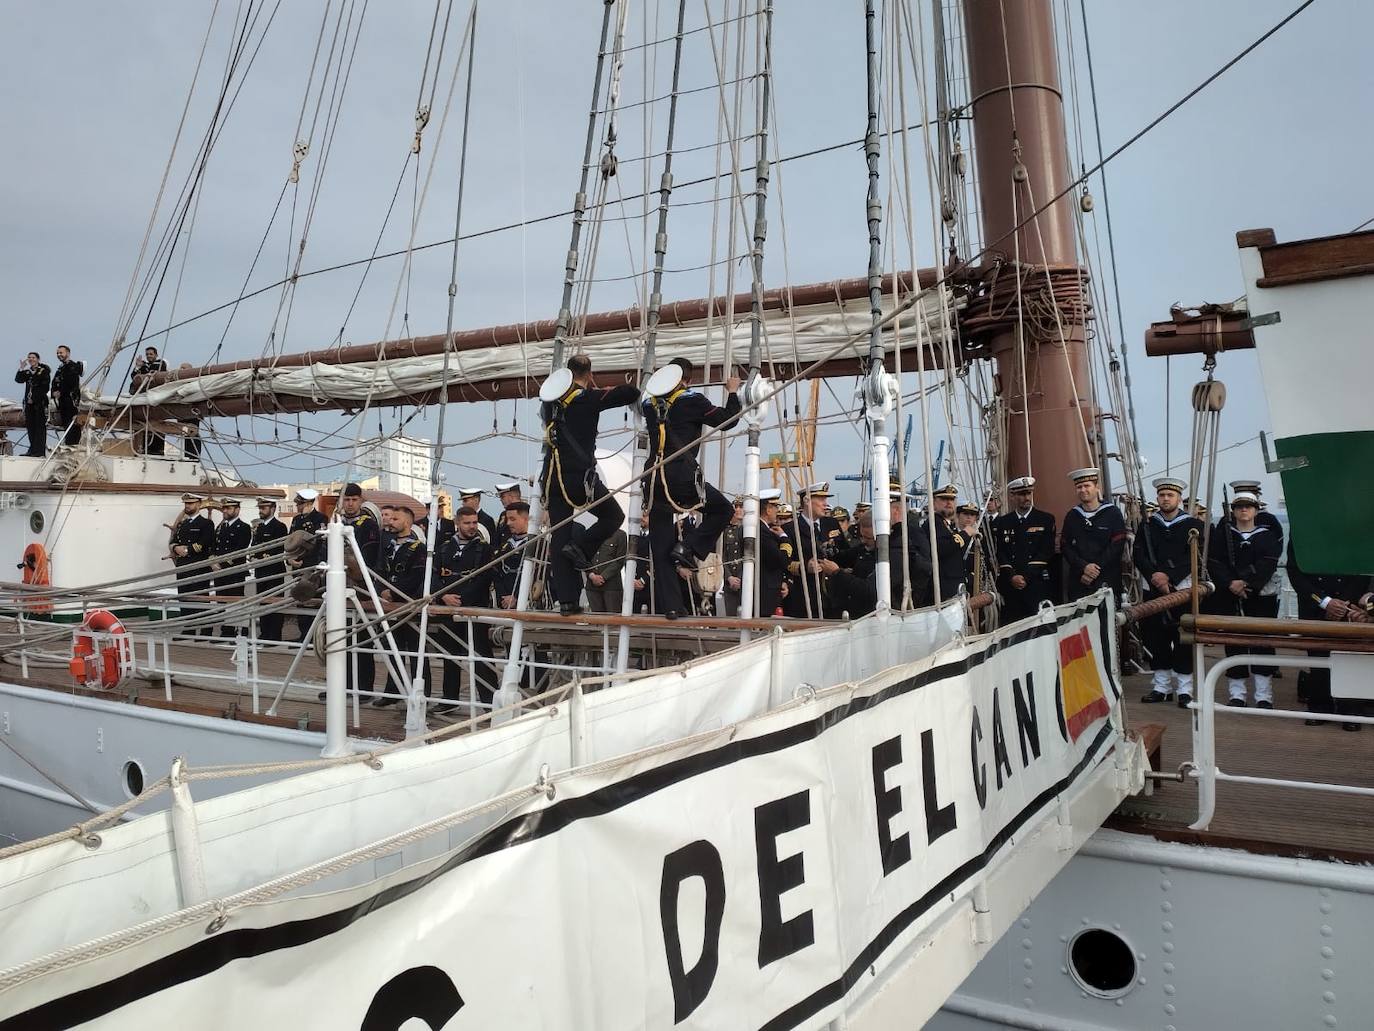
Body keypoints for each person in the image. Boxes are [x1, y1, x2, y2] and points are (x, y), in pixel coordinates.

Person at [540, 355, 640, 616]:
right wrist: (598, 387)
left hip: (552, 478)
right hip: (578, 478)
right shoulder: (589, 399)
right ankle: (582, 547)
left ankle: (568, 602)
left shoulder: (549, 405)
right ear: (589, 374)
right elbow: (629, 393)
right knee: (613, 515)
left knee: (559, 536)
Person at [643, 359, 741, 618]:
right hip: (681, 478)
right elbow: (728, 421)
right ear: (688, 379)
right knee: (722, 509)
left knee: (661, 543)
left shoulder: (648, 405)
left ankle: (673, 607)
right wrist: (732, 391)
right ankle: (688, 548)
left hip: (653, 480)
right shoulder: (692, 400)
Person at [1287, 539, 1374, 730]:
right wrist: (1325, 602)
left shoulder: (1356, 531)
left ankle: (1351, 711)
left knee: (1350, 658)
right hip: (1314, 607)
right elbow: (1294, 571)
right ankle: (1319, 707)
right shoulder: (1303, 530)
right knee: (1317, 659)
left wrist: (1343, 604)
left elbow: (1364, 569)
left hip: (1351, 607)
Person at [1207, 492, 1284, 707]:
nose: (1243, 510)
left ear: (1256, 510)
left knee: (1263, 643)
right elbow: (1214, 562)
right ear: (1233, 511)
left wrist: (1247, 582)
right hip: (1229, 594)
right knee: (1234, 643)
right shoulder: (1223, 536)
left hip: (1259, 596)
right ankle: (1237, 693)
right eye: (1239, 506)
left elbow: (1268, 562)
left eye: (1248, 507)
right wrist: (1230, 583)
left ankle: (1263, 695)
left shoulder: (1266, 536)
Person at [1136, 477, 1206, 707]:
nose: (1165, 499)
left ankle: (1185, 689)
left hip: (1181, 589)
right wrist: (1155, 577)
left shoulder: (1192, 525)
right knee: (1157, 638)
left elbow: (1193, 556)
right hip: (1153, 588)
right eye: (1162, 495)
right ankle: (1161, 687)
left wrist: (1169, 576)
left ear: (1178, 499)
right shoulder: (1147, 525)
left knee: (1183, 638)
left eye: (1170, 495)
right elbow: (1139, 554)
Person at [433, 505, 497, 716]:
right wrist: (444, 596)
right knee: (450, 656)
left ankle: (489, 701)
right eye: (467, 523)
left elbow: (484, 578)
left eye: (474, 522)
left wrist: (461, 600)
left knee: (481, 656)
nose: (472, 527)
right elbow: (434, 577)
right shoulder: (443, 549)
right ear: (457, 523)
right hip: (448, 610)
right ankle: (449, 699)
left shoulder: (484, 549)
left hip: (474, 610)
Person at [374, 503, 431, 707]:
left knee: (416, 652)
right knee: (393, 649)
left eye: (396, 519)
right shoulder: (388, 545)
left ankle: (422, 692)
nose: (391, 521)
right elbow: (379, 570)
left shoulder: (418, 548)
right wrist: (381, 590)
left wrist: (394, 590)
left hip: (409, 605)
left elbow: (417, 576)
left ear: (407, 522)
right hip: (390, 606)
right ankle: (393, 690)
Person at [337, 483, 382, 699]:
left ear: (360, 501)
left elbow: (370, 557)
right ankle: (343, 685)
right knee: (339, 639)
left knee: (363, 639)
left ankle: (365, 689)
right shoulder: (336, 523)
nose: (350, 503)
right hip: (338, 587)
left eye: (354, 500)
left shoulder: (368, 526)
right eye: (347, 499)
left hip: (361, 588)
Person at [994, 477, 1056, 623]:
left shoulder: (1045, 520)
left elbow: (1046, 552)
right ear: (1012, 496)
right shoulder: (1003, 522)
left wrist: (1025, 577)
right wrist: (1012, 576)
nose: (1026, 498)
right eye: (1021, 494)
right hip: (1011, 586)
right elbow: (1001, 552)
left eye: (1028, 493)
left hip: (1036, 584)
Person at [1061, 467, 1126, 602]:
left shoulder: (1112, 513)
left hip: (1107, 580)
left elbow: (1117, 546)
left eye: (1087, 486)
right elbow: (1065, 546)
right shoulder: (1072, 516)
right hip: (1080, 581)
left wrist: (1094, 570)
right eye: (1079, 487)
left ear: (1096, 487)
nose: (1083, 490)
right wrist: (1083, 567)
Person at [787, 482, 846, 618]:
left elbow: (844, 553)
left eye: (826, 499)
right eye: (821, 499)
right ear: (807, 501)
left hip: (834, 598)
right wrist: (804, 566)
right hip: (806, 600)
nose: (825, 503)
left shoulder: (831, 523)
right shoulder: (790, 529)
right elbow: (784, 563)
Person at [169, 493, 215, 636]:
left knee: (200, 598)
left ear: (199, 504)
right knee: (184, 597)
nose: (187, 506)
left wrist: (186, 550)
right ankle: (188, 627)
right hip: (183, 567)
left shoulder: (206, 524)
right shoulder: (182, 525)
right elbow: (173, 541)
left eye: (191, 503)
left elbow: (205, 542)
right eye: (186, 504)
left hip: (198, 567)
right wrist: (176, 548)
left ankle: (204, 629)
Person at [210, 498, 252, 638]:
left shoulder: (244, 527)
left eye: (229, 508)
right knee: (221, 601)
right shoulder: (221, 527)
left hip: (235, 571)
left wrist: (221, 565)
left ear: (237, 510)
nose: (225, 511)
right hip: (220, 573)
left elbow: (240, 549)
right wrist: (213, 562)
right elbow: (215, 547)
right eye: (224, 508)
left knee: (234, 601)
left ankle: (238, 632)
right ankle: (225, 632)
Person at [250, 497, 289, 641]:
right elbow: (254, 545)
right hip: (261, 570)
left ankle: (274, 635)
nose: (261, 511)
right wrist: (254, 556)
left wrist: (263, 557)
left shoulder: (279, 527)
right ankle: (264, 632)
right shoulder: (259, 527)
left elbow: (279, 548)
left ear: (272, 509)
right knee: (262, 602)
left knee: (274, 602)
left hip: (274, 571)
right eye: (260, 508)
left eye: (264, 508)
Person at [923, 484, 968, 604]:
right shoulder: (933, 523)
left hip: (953, 586)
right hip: (942, 590)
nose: (949, 503)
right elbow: (941, 548)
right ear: (933, 502)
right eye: (944, 499)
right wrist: (965, 534)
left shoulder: (946, 524)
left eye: (952, 499)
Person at [492, 500, 533, 610]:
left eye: (512, 519)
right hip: (505, 604)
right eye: (507, 519)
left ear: (526, 519)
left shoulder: (539, 544)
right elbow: (497, 573)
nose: (508, 523)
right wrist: (503, 597)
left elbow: (537, 577)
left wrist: (516, 597)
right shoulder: (505, 546)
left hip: (529, 605)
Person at [585, 525, 628, 613]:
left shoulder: (620, 535)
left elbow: (619, 560)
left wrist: (603, 577)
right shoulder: (590, 533)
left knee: (613, 621)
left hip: (611, 586)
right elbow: (585, 557)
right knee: (597, 621)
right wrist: (592, 576)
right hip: (592, 586)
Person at [14, 352, 50, 457]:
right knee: (31, 427)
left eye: (33, 357)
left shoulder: (43, 371)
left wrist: (35, 398)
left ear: (38, 359)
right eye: (29, 358)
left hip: (39, 403)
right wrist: (21, 368)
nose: (31, 359)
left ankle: (39, 451)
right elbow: (18, 380)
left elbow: (45, 386)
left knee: (39, 427)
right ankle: (32, 449)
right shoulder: (28, 372)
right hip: (29, 404)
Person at [50, 346, 84, 448]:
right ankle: (69, 443)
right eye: (57, 353)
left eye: (61, 352)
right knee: (66, 422)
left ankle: (73, 444)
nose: (59, 355)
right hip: (62, 401)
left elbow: (72, 383)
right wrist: (54, 392)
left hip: (71, 400)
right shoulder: (61, 368)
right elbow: (54, 382)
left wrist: (61, 391)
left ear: (68, 353)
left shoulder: (72, 367)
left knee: (72, 423)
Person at [492, 482, 522, 546]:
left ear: (510, 496)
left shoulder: (526, 512)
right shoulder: (503, 515)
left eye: (502, 497)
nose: (500, 500)